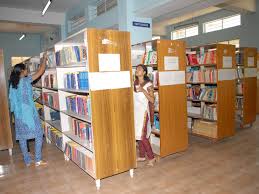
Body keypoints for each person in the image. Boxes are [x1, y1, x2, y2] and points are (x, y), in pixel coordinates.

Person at [9, 54, 47, 167]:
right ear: (22, 71)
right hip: (29, 114)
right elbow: (40, 71)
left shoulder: (13, 84)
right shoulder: (26, 81)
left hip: (19, 115)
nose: (27, 70)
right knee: (39, 134)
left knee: (22, 137)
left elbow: (13, 101)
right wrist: (44, 59)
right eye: (26, 69)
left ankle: (27, 160)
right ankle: (38, 160)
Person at [134, 64, 157, 166]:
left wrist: (143, 90)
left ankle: (152, 158)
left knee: (142, 136)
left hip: (143, 113)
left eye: (139, 69)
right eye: (136, 69)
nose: (137, 70)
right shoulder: (134, 83)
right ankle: (142, 156)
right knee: (137, 134)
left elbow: (152, 100)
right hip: (135, 113)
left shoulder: (149, 84)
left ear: (144, 72)